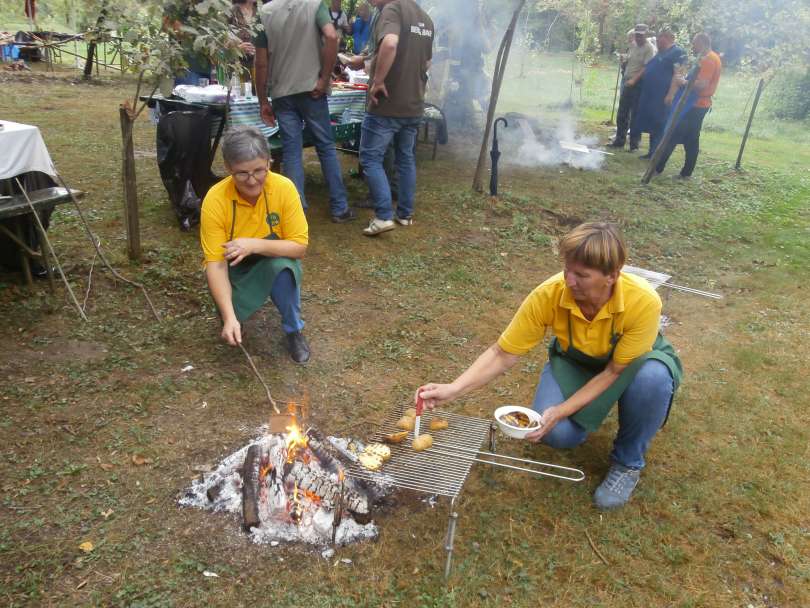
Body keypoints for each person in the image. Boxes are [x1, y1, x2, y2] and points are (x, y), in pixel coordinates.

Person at [416, 223, 683, 510]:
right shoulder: (550, 293)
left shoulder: (643, 301)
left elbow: (614, 372)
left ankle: (627, 462)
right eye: (567, 269)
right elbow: (503, 352)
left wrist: (562, 410)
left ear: (612, 276)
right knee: (556, 433)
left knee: (651, 380)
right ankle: (581, 418)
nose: (569, 280)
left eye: (581, 275)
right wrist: (454, 389)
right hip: (576, 360)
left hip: (629, 363)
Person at [200, 127, 311, 363]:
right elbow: (216, 265)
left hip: (270, 256)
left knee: (282, 268)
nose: (252, 181)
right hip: (232, 264)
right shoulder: (215, 199)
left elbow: (299, 247)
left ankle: (294, 330)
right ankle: (231, 317)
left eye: (259, 171)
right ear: (228, 169)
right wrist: (229, 316)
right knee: (227, 307)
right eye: (242, 174)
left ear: (269, 162)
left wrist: (253, 245)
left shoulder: (284, 188)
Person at [254, 0, 357, 223]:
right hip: (312, 90)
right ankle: (340, 208)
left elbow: (261, 62)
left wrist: (263, 99)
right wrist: (324, 78)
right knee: (326, 148)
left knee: (292, 151)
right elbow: (331, 36)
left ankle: (295, 210)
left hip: (282, 92)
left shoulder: (264, 12)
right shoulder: (315, 4)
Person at [360, 0, 434, 236]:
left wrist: (379, 81)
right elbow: (428, 62)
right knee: (406, 158)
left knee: (370, 158)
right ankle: (405, 214)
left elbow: (390, 43)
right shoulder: (426, 18)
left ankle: (383, 216)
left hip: (388, 103)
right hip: (413, 103)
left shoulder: (393, 10)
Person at [653, 33, 722, 179]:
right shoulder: (708, 57)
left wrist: (683, 81)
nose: (693, 47)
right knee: (691, 140)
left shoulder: (709, 59)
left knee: (674, 134)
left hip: (696, 104)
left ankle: (657, 168)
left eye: (694, 43)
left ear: (702, 43)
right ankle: (685, 172)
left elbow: (702, 85)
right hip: (697, 104)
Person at [631, 29, 687, 159]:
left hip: (663, 95)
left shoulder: (678, 53)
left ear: (667, 38)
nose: (657, 41)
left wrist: (671, 94)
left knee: (660, 123)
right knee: (653, 124)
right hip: (651, 95)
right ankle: (652, 152)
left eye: (659, 39)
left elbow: (678, 74)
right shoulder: (661, 52)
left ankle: (657, 154)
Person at [609, 25, 655, 151]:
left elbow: (646, 68)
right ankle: (619, 140)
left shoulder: (649, 48)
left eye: (640, 35)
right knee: (622, 113)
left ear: (645, 35)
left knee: (635, 114)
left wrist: (634, 79)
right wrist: (624, 61)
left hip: (638, 84)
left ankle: (634, 145)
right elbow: (629, 60)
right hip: (627, 81)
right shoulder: (633, 45)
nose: (638, 37)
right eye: (637, 35)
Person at [229, 0, 258, 82]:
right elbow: (218, 43)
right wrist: (237, 49)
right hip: (235, 67)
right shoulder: (230, 11)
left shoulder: (261, 12)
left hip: (257, 67)